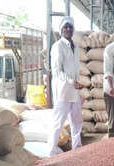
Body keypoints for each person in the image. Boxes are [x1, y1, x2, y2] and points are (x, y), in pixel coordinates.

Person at [48, 16, 84, 156]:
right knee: (58, 122)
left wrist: (77, 84)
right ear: (61, 30)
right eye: (65, 27)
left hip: (74, 91)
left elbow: (74, 69)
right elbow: (57, 71)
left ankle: (77, 148)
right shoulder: (58, 46)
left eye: (70, 27)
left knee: (76, 121)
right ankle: (51, 151)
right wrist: (71, 81)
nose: (68, 29)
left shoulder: (76, 47)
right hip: (63, 91)